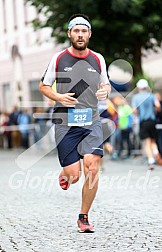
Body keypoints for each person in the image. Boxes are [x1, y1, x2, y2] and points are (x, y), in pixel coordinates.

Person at [39, 14, 111, 233]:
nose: (80, 35)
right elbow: (44, 86)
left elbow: (106, 84)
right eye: (76, 31)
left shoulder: (98, 59)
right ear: (69, 33)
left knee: (92, 166)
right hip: (65, 123)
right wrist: (59, 98)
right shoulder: (59, 58)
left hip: (91, 120)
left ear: (89, 34)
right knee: (74, 175)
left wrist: (104, 91)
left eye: (84, 31)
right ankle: (66, 174)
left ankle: (83, 217)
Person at [132, 79, 162, 169]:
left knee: (147, 142)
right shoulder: (151, 96)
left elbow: (134, 110)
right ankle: (156, 152)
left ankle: (151, 161)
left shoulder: (136, 97)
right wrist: (154, 111)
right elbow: (158, 106)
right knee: (153, 140)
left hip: (143, 121)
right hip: (152, 121)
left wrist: (139, 113)